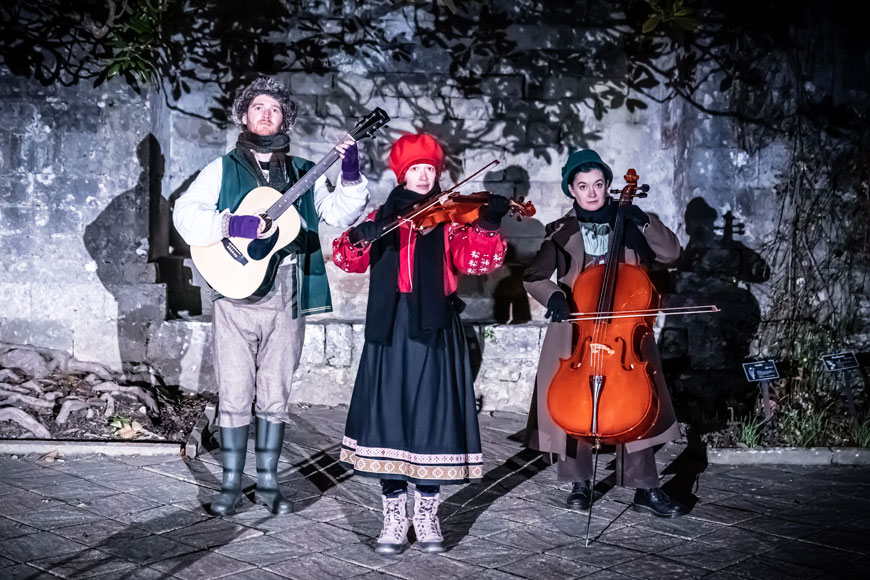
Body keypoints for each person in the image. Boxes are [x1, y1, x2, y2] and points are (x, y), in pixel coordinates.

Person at [172, 76, 369, 516]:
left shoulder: (303, 171)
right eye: (258, 106)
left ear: (285, 120)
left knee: (276, 391)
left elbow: (338, 213)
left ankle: (267, 483)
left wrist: (350, 171)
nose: (266, 114)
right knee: (235, 390)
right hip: (235, 295)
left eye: (275, 109)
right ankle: (228, 485)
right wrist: (234, 226)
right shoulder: (221, 169)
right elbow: (185, 214)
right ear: (244, 116)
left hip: (287, 290)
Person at [332, 134, 509, 554]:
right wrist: (367, 231)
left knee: (432, 418)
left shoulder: (448, 220)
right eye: (416, 168)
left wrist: (487, 224)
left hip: (434, 327)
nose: (425, 175)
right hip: (390, 326)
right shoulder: (384, 214)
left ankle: (426, 512)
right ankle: (394, 515)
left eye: (430, 168)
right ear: (402, 174)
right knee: (390, 417)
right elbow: (345, 257)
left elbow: (477, 261)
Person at [522, 149, 687, 518]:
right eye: (583, 186)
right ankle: (580, 482)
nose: (592, 193)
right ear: (572, 191)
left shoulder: (631, 221)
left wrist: (642, 219)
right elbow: (533, 277)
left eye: (598, 184)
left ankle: (646, 488)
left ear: (609, 186)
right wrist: (556, 297)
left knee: (636, 405)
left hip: (624, 330)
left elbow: (673, 254)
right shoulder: (559, 231)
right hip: (578, 330)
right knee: (574, 403)